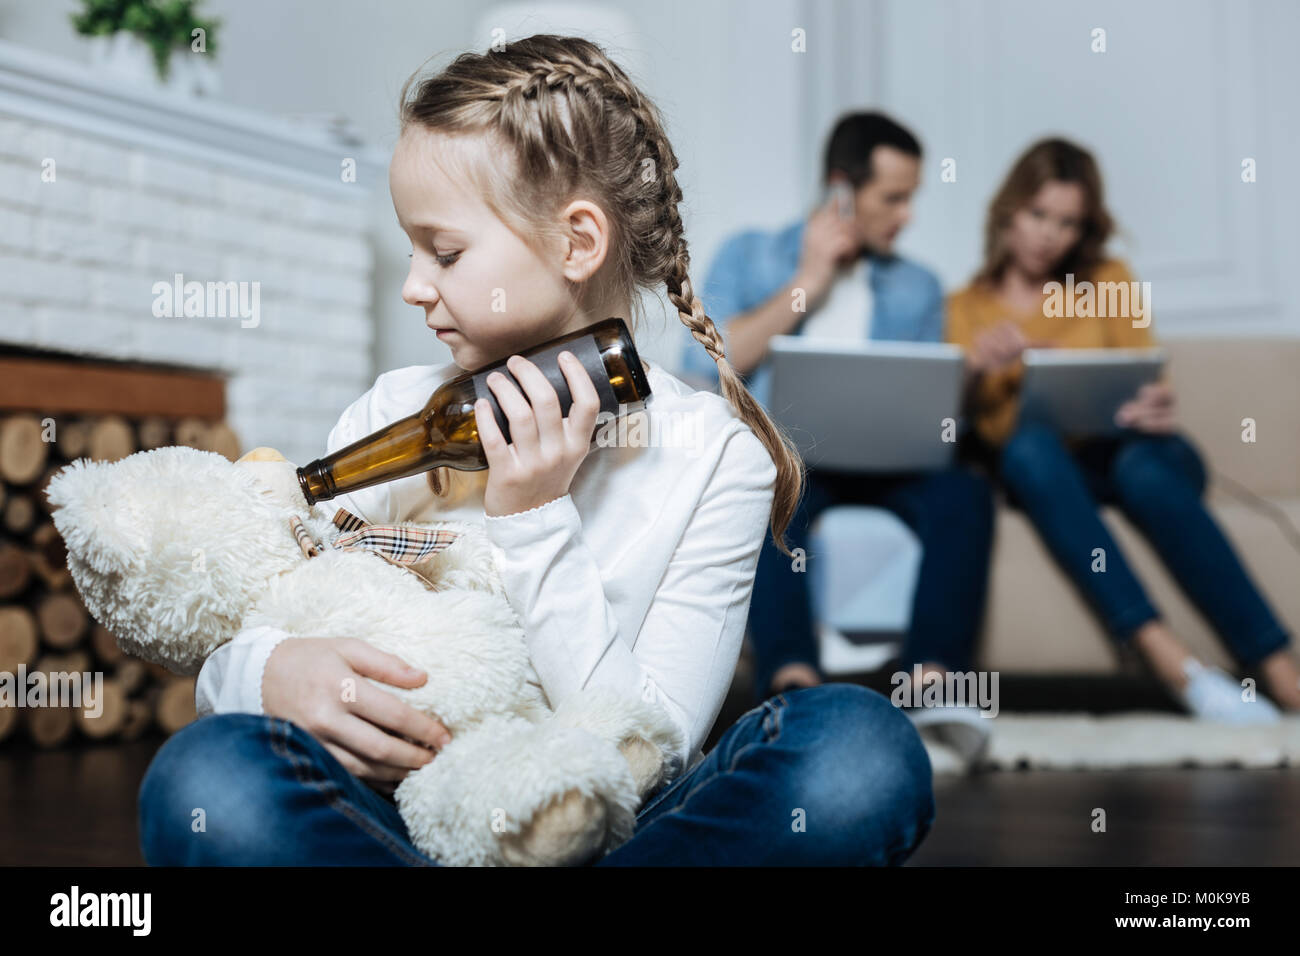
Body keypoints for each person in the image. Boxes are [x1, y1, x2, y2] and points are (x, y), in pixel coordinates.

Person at [136, 36, 935, 866]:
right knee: (205, 778)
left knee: (856, 754)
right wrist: (265, 673)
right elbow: (261, 605)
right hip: (403, 825)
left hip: (612, 838)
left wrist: (535, 517)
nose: (414, 284)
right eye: (412, 249)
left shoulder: (717, 460)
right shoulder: (396, 410)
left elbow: (647, 755)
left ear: (576, 243)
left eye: (444, 253)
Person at [945, 136, 1300, 721]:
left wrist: (1155, 403)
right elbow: (963, 426)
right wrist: (977, 372)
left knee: (1142, 468)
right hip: (1048, 473)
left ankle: (1281, 671)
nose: (1048, 235)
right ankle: (1169, 660)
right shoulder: (966, 306)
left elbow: (1146, 370)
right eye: (1038, 215)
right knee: (1028, 450)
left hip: (1134, 452)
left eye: (1067, 222)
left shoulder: (1109, 277)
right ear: (1009, 210)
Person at [681, 111, 996, 764]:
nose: (906, 215)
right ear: (842, 189)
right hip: (792, 456)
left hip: (890, 460)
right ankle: (793, 683)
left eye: (912, 198)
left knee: (965, 493)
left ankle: (933, 681)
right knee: (768, 487)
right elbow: (703, 367)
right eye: (894, 198)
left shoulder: (918, 286)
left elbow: (926, 400)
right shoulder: (751, 254)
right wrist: (808, 284)